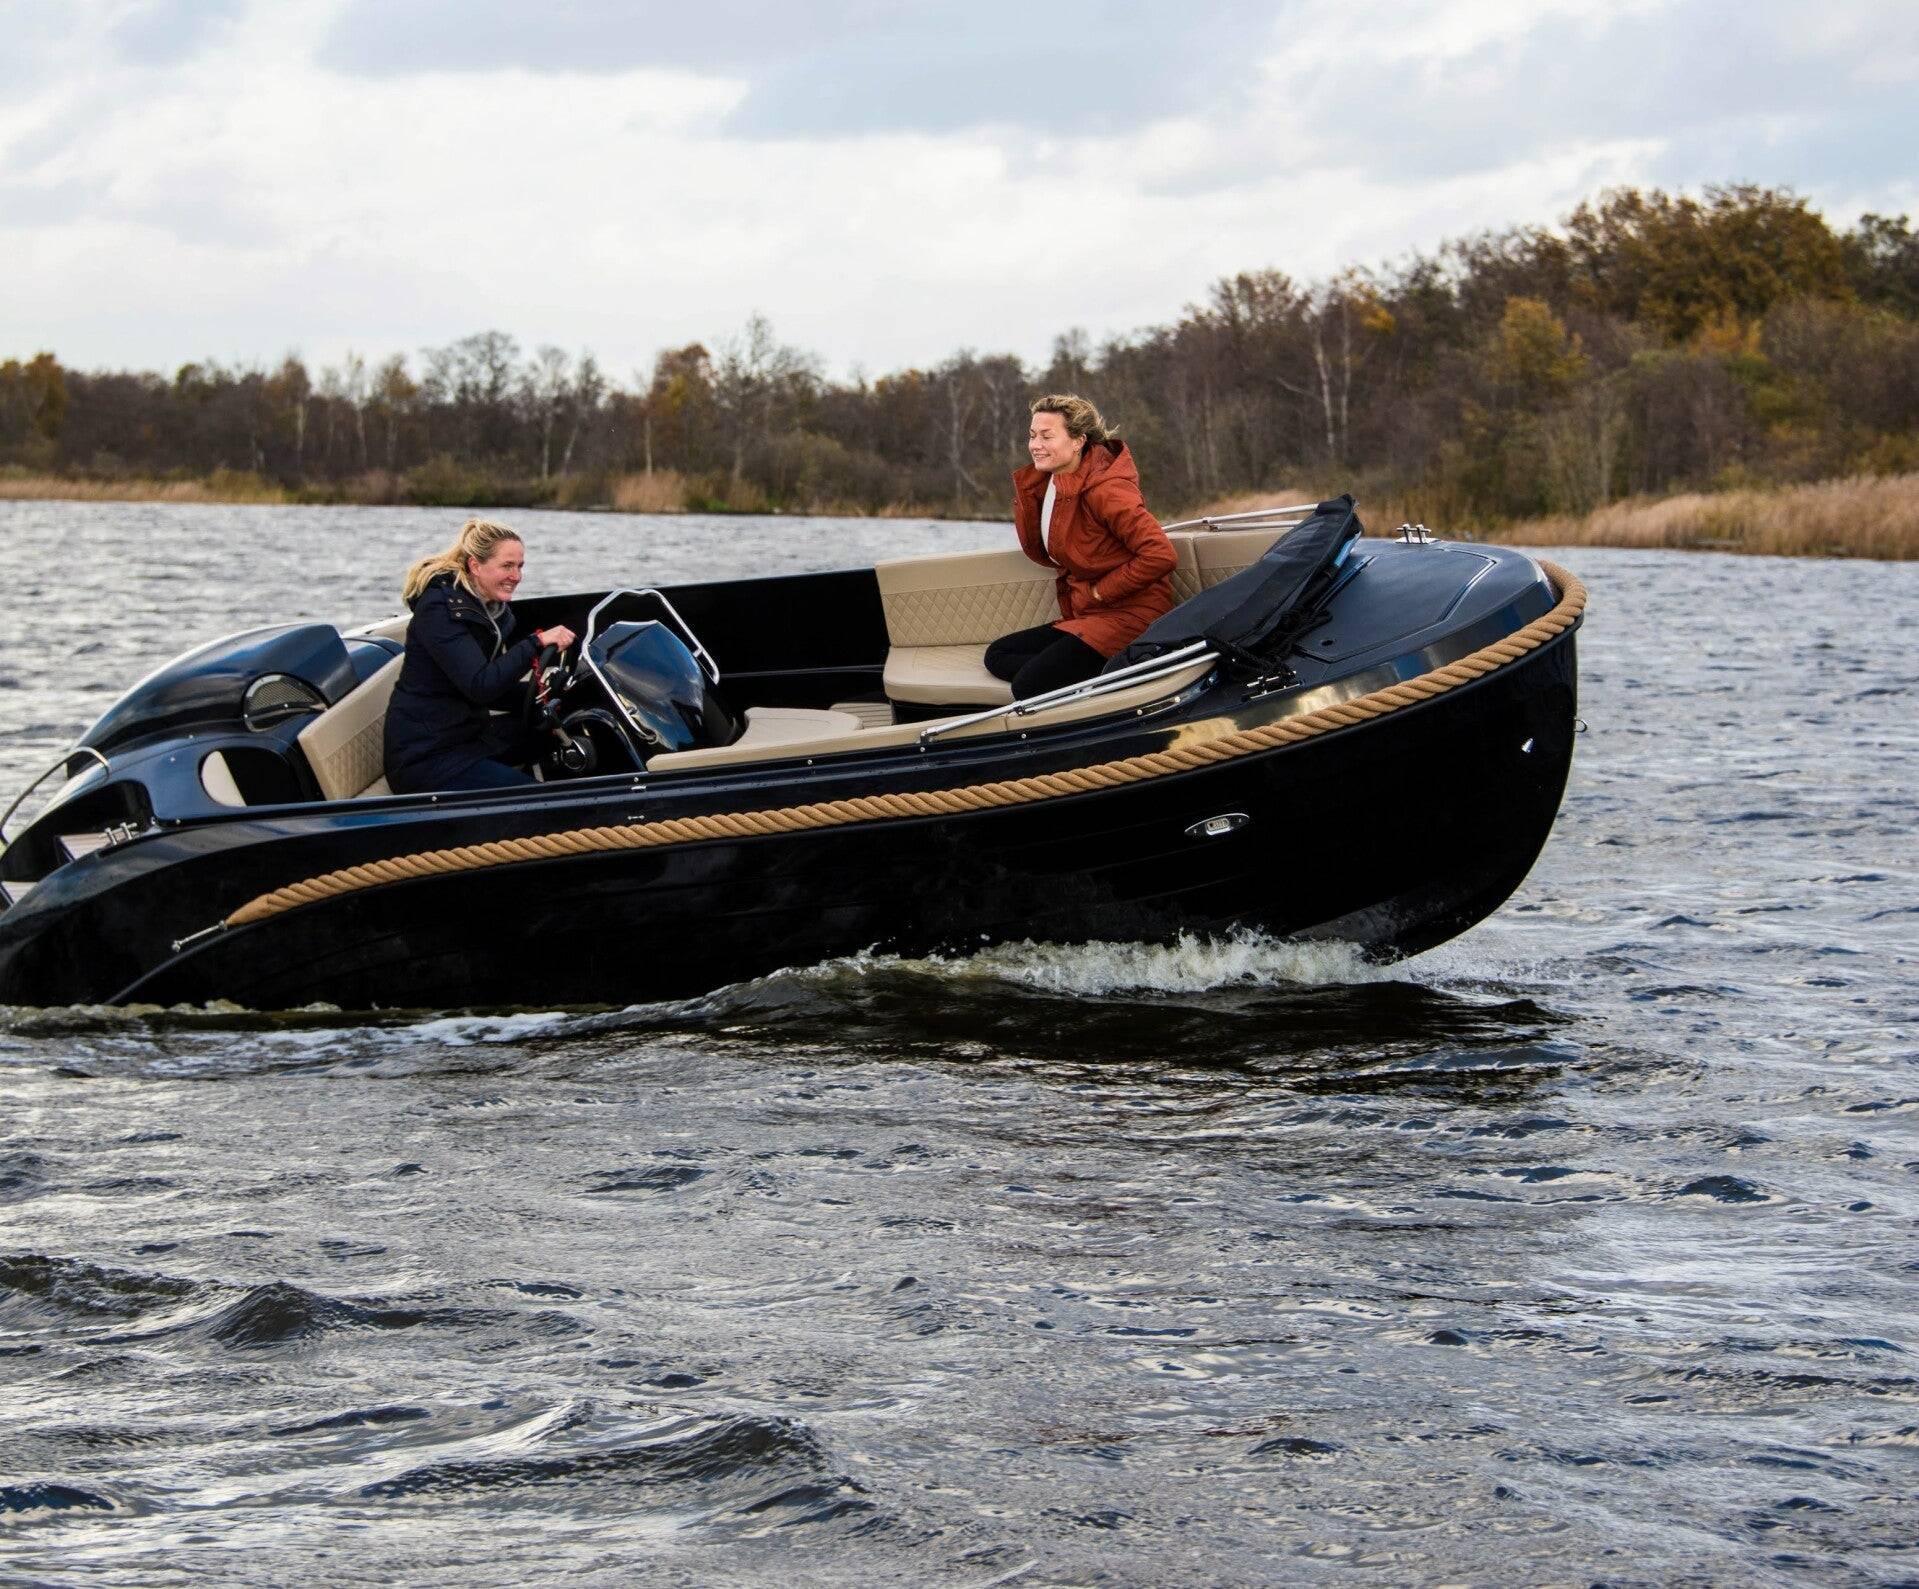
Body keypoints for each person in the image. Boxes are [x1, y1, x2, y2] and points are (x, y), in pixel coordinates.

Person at [985, 394, 1178, 699]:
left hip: (1131, 615)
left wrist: (1100, 592)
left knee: (1028, 685)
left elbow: (1160, 554)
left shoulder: (1108, 489)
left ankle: (1129, 668)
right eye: (1032, 435)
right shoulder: (1051, 482)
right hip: (1089, 614)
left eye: (1047, 436)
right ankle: (1102, 672)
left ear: (1078, 441)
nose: (1035, 445)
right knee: (997, 654)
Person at [382, 518, 577, 795]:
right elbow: (480, 685)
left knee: (551, 734)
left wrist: (545, 692)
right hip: (426, 758)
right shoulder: (440, 610)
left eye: (520, 566)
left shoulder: (488, 610)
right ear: (475, 566)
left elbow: (487, 688)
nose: (516, 576)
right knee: (539, 800)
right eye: (507, 566)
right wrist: (536, 642)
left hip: (465, 737)